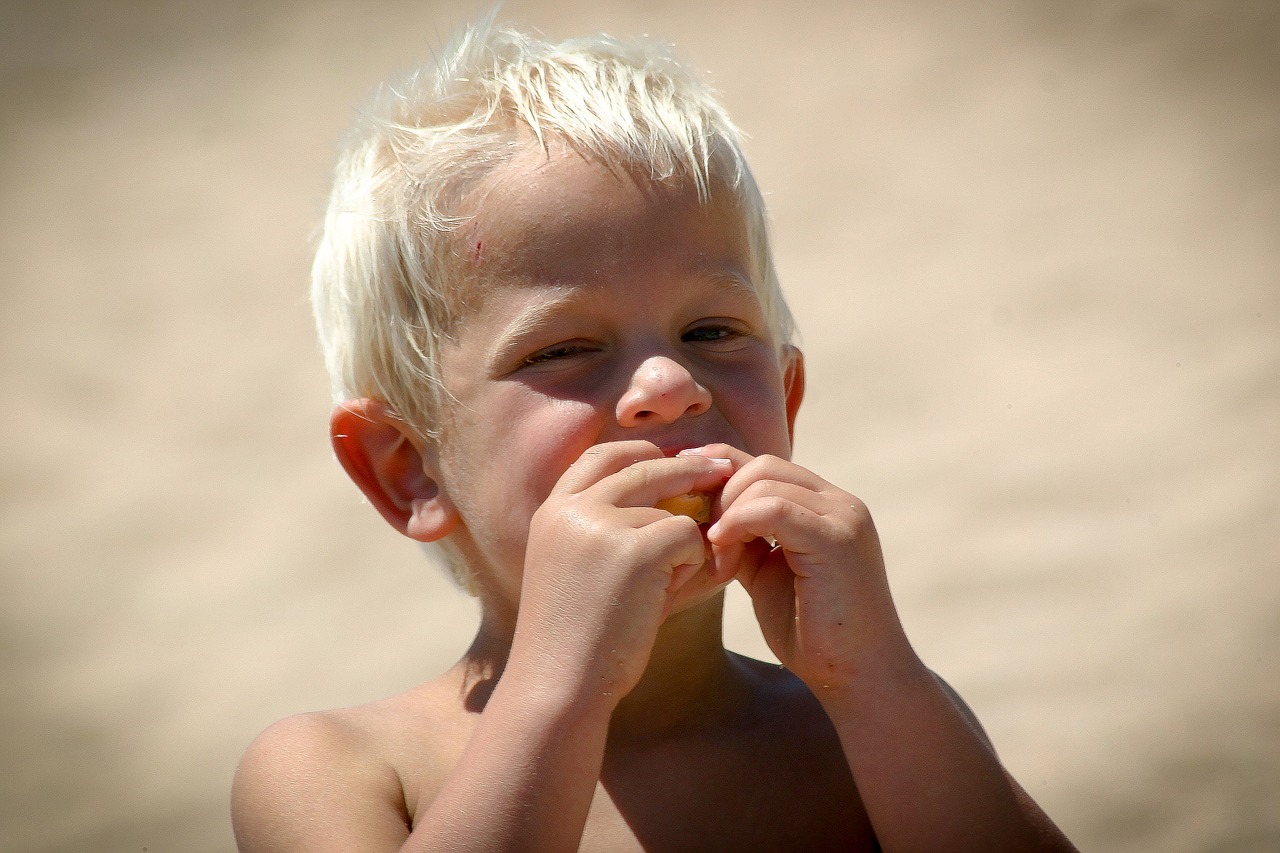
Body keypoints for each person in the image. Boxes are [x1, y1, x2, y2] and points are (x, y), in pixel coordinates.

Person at [231, 15, 1078, 852]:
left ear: (787, 397)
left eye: (711, 331)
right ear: (409, 467)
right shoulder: (339, 770)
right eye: (563, 349)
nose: (671, 387)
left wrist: (875, 673)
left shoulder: (871, 726)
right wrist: (559, 691)